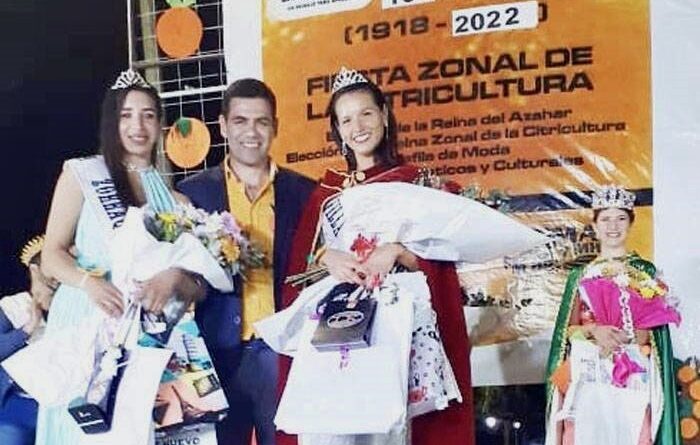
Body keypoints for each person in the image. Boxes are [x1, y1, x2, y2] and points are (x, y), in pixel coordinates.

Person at [278, 67, 475, 445]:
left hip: (397, 333)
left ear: (384, 115)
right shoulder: (327, 194)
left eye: (366, 113)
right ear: (337, 131)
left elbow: (441, 262)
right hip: (339, 335)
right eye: (346, 120)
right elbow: (299, 270)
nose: (358, 127)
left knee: (392, 429)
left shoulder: (417, 182)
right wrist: (327, 258)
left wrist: (396, 252)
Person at [36, 69, 205, 445]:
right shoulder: (83, 175)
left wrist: (176, 278)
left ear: (160, 125)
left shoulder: (176, 201)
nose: (137, 126)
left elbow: (198, 282)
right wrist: (89, 283)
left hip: (145, 333)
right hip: (86, 321)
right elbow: (51, 255)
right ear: (111, 122)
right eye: (126, 115)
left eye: (148, 115)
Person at [176, 78, 316, 445]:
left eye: (261, 122)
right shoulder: (192, 194)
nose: (251, 132)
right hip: (215, 352)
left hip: (281, 350)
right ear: (223, 126)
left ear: (275, 127)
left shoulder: (305, 193)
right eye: (240, 121)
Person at [544, 185, 680, 445]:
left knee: (635, 433)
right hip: (589, 374)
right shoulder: (580, 275)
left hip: (633, 374)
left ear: (630, 223)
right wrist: (595, 331)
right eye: (605, 219)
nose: (613, 226)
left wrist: (625, 337)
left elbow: (653, 333)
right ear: (595, 226)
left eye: (620, 218)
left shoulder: (645, 272)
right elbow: (568, 332)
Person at [0, 236, 56, 445]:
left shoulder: (73, 304)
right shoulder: (14, 306)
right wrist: (27, 329)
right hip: (16, 403)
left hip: (58, 397)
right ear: (35, 270)